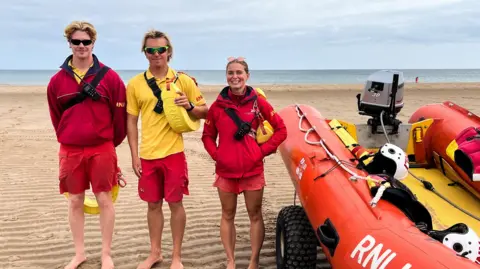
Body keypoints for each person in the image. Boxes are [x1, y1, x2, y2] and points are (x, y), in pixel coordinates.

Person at [46, 21, 127, 269]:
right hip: (70, 149)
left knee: (104, 199)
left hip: (102, 147)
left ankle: (106, 254)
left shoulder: (110, 77)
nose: (81, 46)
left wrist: (109, 146)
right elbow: (56, 117)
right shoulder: (57, 81)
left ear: (93, 43)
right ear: (69, 43)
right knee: (74, 200)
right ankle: (79, 253)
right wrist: (72, 136)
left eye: (86, 41)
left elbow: (120, 118)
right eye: (76, 41)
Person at [125, 29, 208, 269]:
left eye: (161, 49)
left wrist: (189, 105)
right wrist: (134, 156)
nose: (156, 54)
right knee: (152, 205)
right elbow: (131, 120)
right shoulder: (135, 84)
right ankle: (155, 253)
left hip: (173, 153)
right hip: (148, 154)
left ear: (169, 52)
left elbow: (205, 111)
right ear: (145, 53)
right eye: (150, 50)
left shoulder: (183, 80)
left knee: (175, 204)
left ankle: (176, 257)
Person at [201, 57, 287, 269]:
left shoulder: (259, 103)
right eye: (231, 72)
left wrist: (260, 152)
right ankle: (230, 261)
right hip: (225, 172)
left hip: (253, 171)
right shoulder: (217, 107)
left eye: (239, 72)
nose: (235, 76)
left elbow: (281, 129)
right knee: (227, 215)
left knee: (255, 215)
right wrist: (217, 155)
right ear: (226, 76)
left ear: (247, 76)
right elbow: (207, 136)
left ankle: (253, 261)